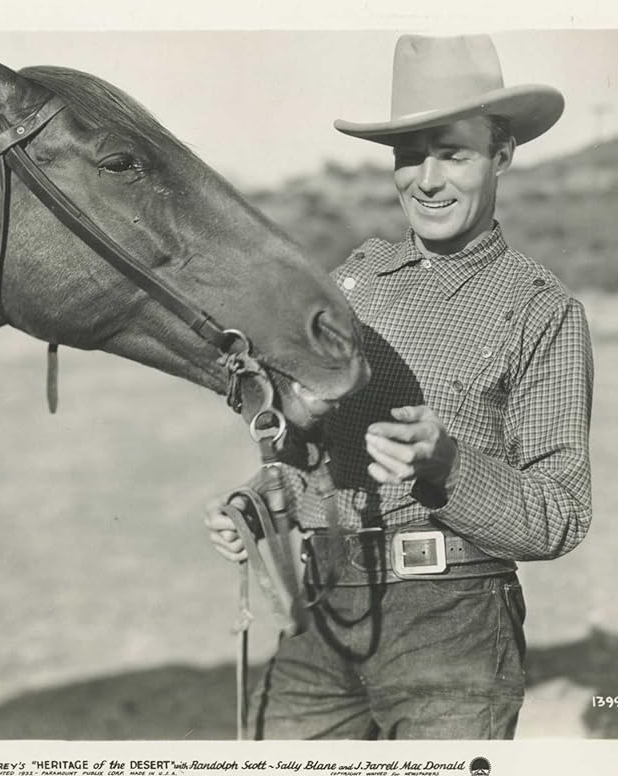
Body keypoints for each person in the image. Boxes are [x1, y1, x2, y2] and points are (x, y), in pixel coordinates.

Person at [204, 33, 594, 740]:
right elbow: (311, 460)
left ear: (502, 153)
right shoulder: (351, 282)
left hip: (454, 627)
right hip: (323, 622)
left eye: (453, 152)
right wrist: (255, 504)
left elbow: (561, 514)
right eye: (410, 155)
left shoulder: (542, 307)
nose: (427, 179)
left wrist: (447, 465)